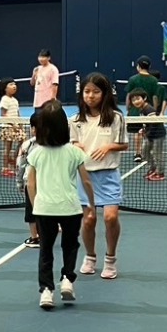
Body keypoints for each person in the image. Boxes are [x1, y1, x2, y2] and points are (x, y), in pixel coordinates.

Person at [25, 105, 94, 310]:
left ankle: (46, 291)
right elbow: (86, 181)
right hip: (70, 208)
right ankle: (67, 279)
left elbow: (30, 184)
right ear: (64, 127)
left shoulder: (36, 153)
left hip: (44, 210)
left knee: (46, 250)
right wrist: (91, 203)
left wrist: (37, 205)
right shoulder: (75, 152)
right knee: (70, 246)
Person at [71, 73, 128, 279]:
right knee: (89, 220)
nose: (91, 96)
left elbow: (124, 144)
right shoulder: (75, 120)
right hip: (85, 176)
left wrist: (108, 147)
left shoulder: (116, 118)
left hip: (108, 175)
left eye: (96, 92)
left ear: (104, 94)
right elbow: (72, 142)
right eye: (87, 91)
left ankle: (110, 259)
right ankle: (90, 256)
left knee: (111, 217)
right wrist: (76, 145)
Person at [126, 89, 166, 181]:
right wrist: (144, 129)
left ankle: (160, 173)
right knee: (145, 152)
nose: (136, 101)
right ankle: (153, 168)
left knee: (157, 154)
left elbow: (154, 123)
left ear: (144, 98)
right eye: (133, 100)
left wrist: (147, 132)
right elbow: (147, 123)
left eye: (138, 99)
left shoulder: (149, 109)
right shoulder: (141, 109)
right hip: (150, 135)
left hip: (158, 135)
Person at [15, 109, 39, 248]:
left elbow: (20, 165)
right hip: (33, 184)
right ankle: (37, 236)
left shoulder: (52, 144)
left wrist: (19, 182)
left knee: (35, 210)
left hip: (41, 183)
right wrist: (20, 183)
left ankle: (37, 236)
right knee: (33, 210)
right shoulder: (27, 145)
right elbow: (20, 165)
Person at [0, 79, 25, 176]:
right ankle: (5, 168)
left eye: (14, 84)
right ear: (5, 88)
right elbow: (3, 115)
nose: (14, 86)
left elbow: (18, 114)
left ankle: (13, 160)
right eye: (11, 84)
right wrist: (13, 124)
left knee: (23, 142)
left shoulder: (15, 100)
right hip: (8, 127)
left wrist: (21, 125)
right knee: (7, 148)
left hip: (16, 127)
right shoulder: (4, 99)